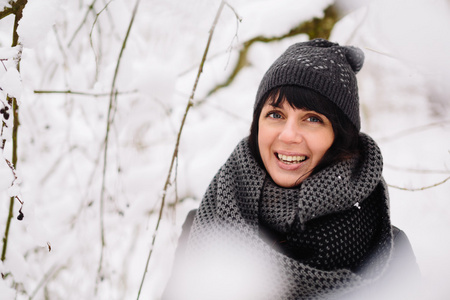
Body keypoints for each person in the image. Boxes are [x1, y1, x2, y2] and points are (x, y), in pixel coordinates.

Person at [162, 38, 420, 300]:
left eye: (312, 119)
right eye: (276, 114)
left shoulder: (385, 251)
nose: (288, 135)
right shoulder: (206, 225)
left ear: (340, 137)